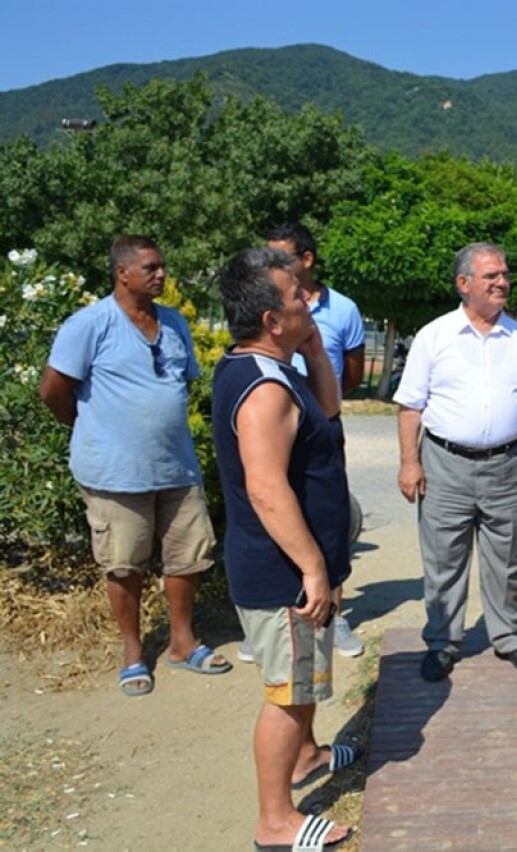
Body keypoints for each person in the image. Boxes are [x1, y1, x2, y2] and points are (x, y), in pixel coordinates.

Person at [38, 235, 230, 698]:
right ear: (122, 272)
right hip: (114, 474)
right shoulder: (89, 325)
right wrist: (91, 430)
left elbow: (180, 385)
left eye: (162, 266)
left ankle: (183, 642)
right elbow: (53, 390)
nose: (161, 274)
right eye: (151, 267)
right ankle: (132, 651)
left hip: (176, 468)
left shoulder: (174, 323)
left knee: (188, 555)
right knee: (124, 563)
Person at [211, 246, 356, 850]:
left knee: (303, 680)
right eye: (298, 297)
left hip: (294, 565)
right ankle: (276, 820)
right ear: (272, 319)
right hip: (284, 572)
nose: (309, 300)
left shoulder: (274, 368)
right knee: (288, 693)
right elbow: (267, 490)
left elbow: (327, 411)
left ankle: (307, 757)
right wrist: (313, 567)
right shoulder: (263, 389)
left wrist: (317, 351)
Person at [395, 242, 517, 681]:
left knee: (506, 556)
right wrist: (409, 463)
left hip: (508, 462)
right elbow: (410, 406)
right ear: (463, 284)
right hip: (445, 462)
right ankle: (444, 642)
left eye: (504, 274)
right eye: (491, 277)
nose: (502, 282)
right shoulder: (435, 336)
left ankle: (510, 637)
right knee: (444, 559)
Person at [262, 222, 366, 659]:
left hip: (323, 425)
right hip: (273, 427)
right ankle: (274, 615)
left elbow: (355, 372)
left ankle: (334, 616)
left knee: (328, 518)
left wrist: (324, 400)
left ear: (306, 260)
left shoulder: (343, 310)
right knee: (275, 510)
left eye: (280, 257)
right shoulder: (264, 307)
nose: (271, 266)